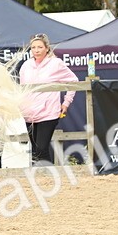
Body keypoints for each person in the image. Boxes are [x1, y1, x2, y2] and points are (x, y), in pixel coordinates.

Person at [18, 33, 78, 165]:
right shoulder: (26, 66)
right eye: (33, 47)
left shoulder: (56, 64)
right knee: (35, 150)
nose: (36, 50)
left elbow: (73, 81)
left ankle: (48, 175)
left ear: (47, 48)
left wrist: (66, 102)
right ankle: (40, 177)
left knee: (41, 147)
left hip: (48, 112)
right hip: (29, 114)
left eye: (39, 47)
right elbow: (22, 89)